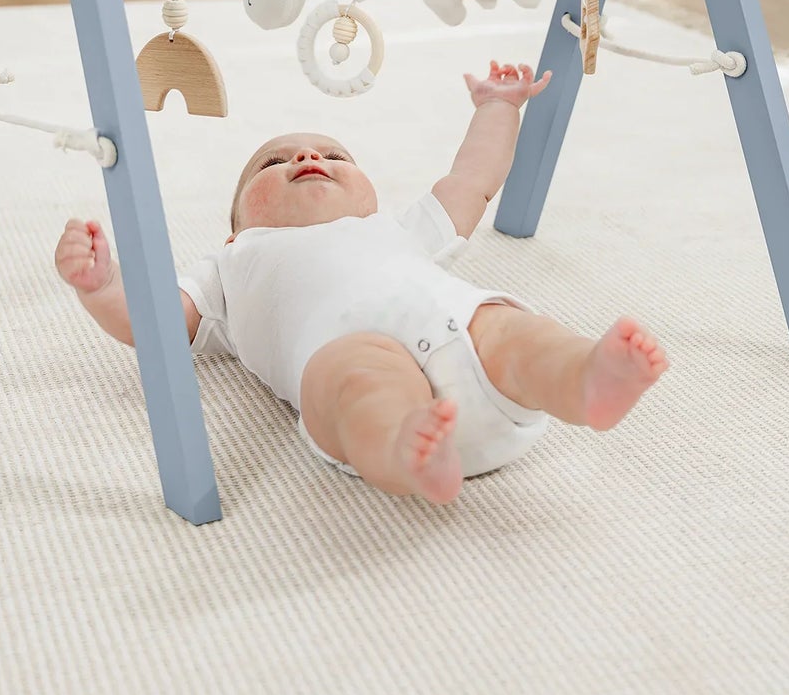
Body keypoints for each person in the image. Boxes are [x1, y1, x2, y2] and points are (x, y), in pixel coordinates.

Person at [56, 61, 666, 505]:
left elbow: (472, 179)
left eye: (333, 154)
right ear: (235, 225)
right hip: (353, 360)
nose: (306, 158)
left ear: (371, 196)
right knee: (357, 378)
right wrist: (104, 284)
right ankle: (404, 450)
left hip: (468, 343)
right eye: (275, 163)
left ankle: (584, 379)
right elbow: (157, 325)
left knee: (511, 329)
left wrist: (498, 108)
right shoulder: (230, 267)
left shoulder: (399, 228)